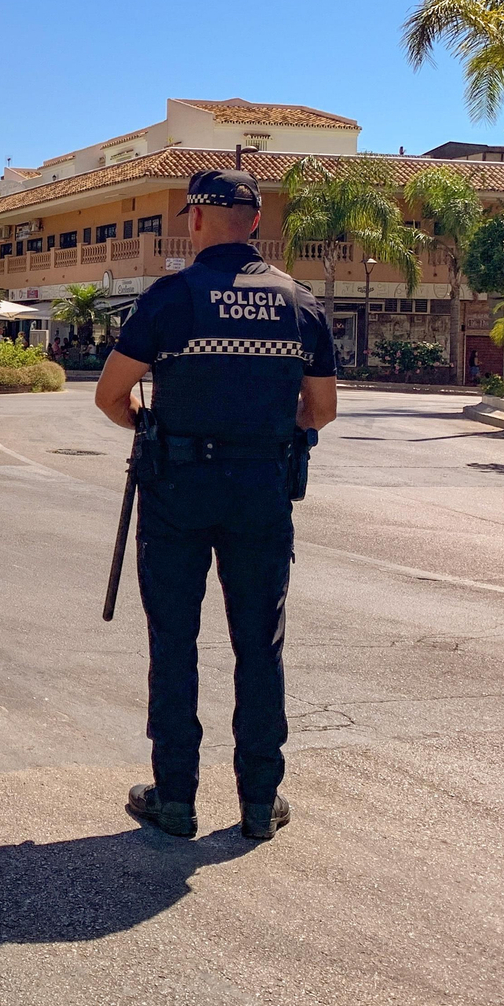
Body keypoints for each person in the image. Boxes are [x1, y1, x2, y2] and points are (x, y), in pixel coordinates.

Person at [94, 169, 337, 841]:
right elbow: (321, 410)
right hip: (262, 491)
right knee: (260, 646)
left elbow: (110, 396)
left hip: (177, 489)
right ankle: (260, 803)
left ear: (196, 221)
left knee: (175, 643)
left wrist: (149, 424)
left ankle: (176, 798)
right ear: (254, 221)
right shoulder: (300, 303)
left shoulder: (171, 298)